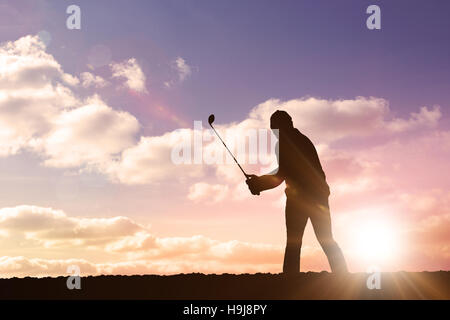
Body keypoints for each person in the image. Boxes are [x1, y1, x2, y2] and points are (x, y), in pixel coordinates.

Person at [246, 110, 348, 274]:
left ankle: (290, 279)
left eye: (275, 129)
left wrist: (259, 184)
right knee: (326, 238)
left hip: (300, 199)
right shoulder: (302, 140)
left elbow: (281, 175)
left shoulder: (285, 143)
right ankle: (343, 275)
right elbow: (283, 171)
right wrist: (260, 182)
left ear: (281, 126)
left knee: (294, 242)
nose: (275, 133)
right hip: (318, 196)